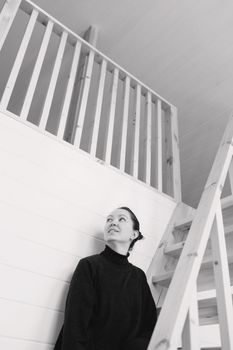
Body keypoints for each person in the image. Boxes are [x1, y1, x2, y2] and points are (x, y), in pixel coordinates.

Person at [54, 206, 157, 350]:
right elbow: (75, 325)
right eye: (109, 219)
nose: (113, 223)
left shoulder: (138, 276)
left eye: (121, 219)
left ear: (134, 234)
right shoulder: (89, 266)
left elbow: (150, 325)